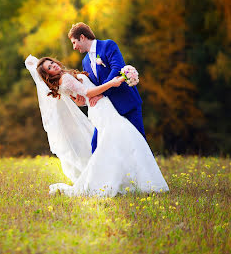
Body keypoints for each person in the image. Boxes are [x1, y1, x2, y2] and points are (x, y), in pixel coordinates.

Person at [25, 55, 169, 197]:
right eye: (49, 67)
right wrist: (111, 83)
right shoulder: (66, 79)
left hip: (97, 107)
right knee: (123, 137)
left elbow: (81, 101)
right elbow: (87, 92)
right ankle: (127, 180)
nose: (53, 66)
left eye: (51, 63)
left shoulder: (63, 80)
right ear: (48, 74)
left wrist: (88, 97)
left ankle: (128, 179)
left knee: (117, 141)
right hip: (100, 108)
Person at [68, 23, 145, 153]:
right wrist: (84, 99)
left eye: (74, 42)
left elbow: (117, 68)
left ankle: (145, 173)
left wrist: (102, 93)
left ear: (82, 37)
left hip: (126, 103)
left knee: (138, 142)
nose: (74, 47)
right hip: (107, 109)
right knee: (96, 145)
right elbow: (93, 86)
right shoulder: (85, 62)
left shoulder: (108, 45)